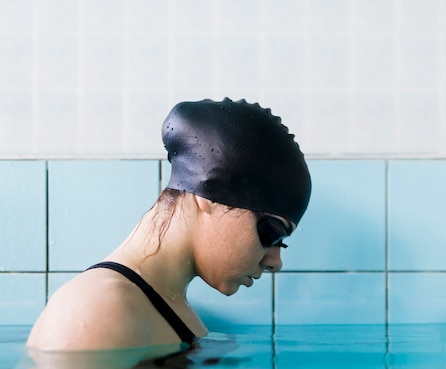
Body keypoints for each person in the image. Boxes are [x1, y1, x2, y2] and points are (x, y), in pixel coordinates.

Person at [26, 98, 312, 353]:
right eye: (272, 233)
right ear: (209, 196)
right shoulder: (96, 311)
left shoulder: (164, 308)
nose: (276, 262)